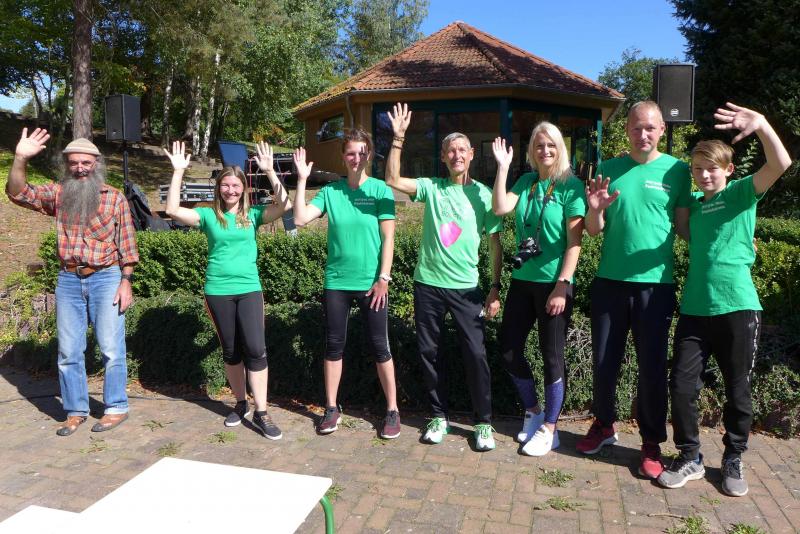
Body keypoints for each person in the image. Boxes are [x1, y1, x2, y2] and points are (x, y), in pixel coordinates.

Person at [656, 104, 791, 496]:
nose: (704, 175)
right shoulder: (696, 207)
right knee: (682, 385)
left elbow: (780, 163)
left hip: (738, 308)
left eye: (711, 168)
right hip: (695, 309)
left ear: (729, 169)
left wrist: (762, 125)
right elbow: (684, 229)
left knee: (738, 389)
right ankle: (690, 457)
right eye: (698, 169)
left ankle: (733, 458)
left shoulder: (741, 193)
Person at [578, 101, 692, 479]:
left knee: (652, 369)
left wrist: (730, 240)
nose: (643, 134)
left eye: (650, 128)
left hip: (655, 287)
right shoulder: (608, 169)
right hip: (609, 283)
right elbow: (593, 229)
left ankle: (651, 442)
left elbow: (686, 228)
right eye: (636, 127)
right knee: (603, 362)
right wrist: (595, 209)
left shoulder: (678, 171)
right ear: (627, 129)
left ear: (661, 130)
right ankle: (603, 425)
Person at [385, 103, 503, 451]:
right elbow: (392, 180)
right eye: (451, 150)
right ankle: (438, 417)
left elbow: (495, 245)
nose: (457, 155)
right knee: (430, 352)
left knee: (476, 355)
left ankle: (483, 422)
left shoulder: (484, 195)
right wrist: (398, 138)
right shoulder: (432, 187)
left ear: (471, 154)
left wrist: (495, 288)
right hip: (429, 286)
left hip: (467, 290)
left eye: (462, 149)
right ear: (443, 157)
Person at [7, 129, 138, 436]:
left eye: (86, 162)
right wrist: (20, 157)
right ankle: (76, 410)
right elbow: (18, 193)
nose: (80, 168)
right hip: (68, 280)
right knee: (68, 351)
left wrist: (126, 281)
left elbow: (128, 246)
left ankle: (116, 407)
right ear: (66, 164)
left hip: (106, 277)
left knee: (111, 347)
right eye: (74, 162)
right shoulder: (59, 194)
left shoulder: (114, 198)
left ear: (97, 163)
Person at [164, 140, 291, 440]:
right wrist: (178, 171)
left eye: (236, 186)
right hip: (218, 290)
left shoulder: (254, 215)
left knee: (256, 349)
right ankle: (240, 403)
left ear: (243, 188)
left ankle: (262, 412)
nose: (230, 190)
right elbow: (171, 210)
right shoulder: (209, 216)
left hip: (249, 289)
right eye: (225, 185)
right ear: (218, 188)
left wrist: (270, 171)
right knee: (232, 351)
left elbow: (285, 205)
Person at [292, 129, 401, 439]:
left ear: (369, 155)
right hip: (337, 282)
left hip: (371, 284)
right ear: (343, 157)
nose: (356, 158)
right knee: (333, 345)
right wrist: (301, 180)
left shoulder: (380, 190)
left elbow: (388, 238)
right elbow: (299, 219)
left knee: (380, 346)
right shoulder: (331, 192)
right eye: (351, 153)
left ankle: (392, 410)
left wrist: (383, 278)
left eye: (362, 152)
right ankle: (331, 408)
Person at [491, 123, 586, 456]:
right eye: (539, 145)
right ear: (531, 150)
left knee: (552, 356)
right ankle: (533, 411)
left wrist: (562, 286)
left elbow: (575, 243)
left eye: (551, 145)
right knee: (509, 349)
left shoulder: (571, 186)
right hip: (523, 281)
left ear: (560, 149)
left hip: (554, 283)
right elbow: (500, 208)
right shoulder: (526, 182)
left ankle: (550, 429)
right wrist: (503, 168)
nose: (545, 151)